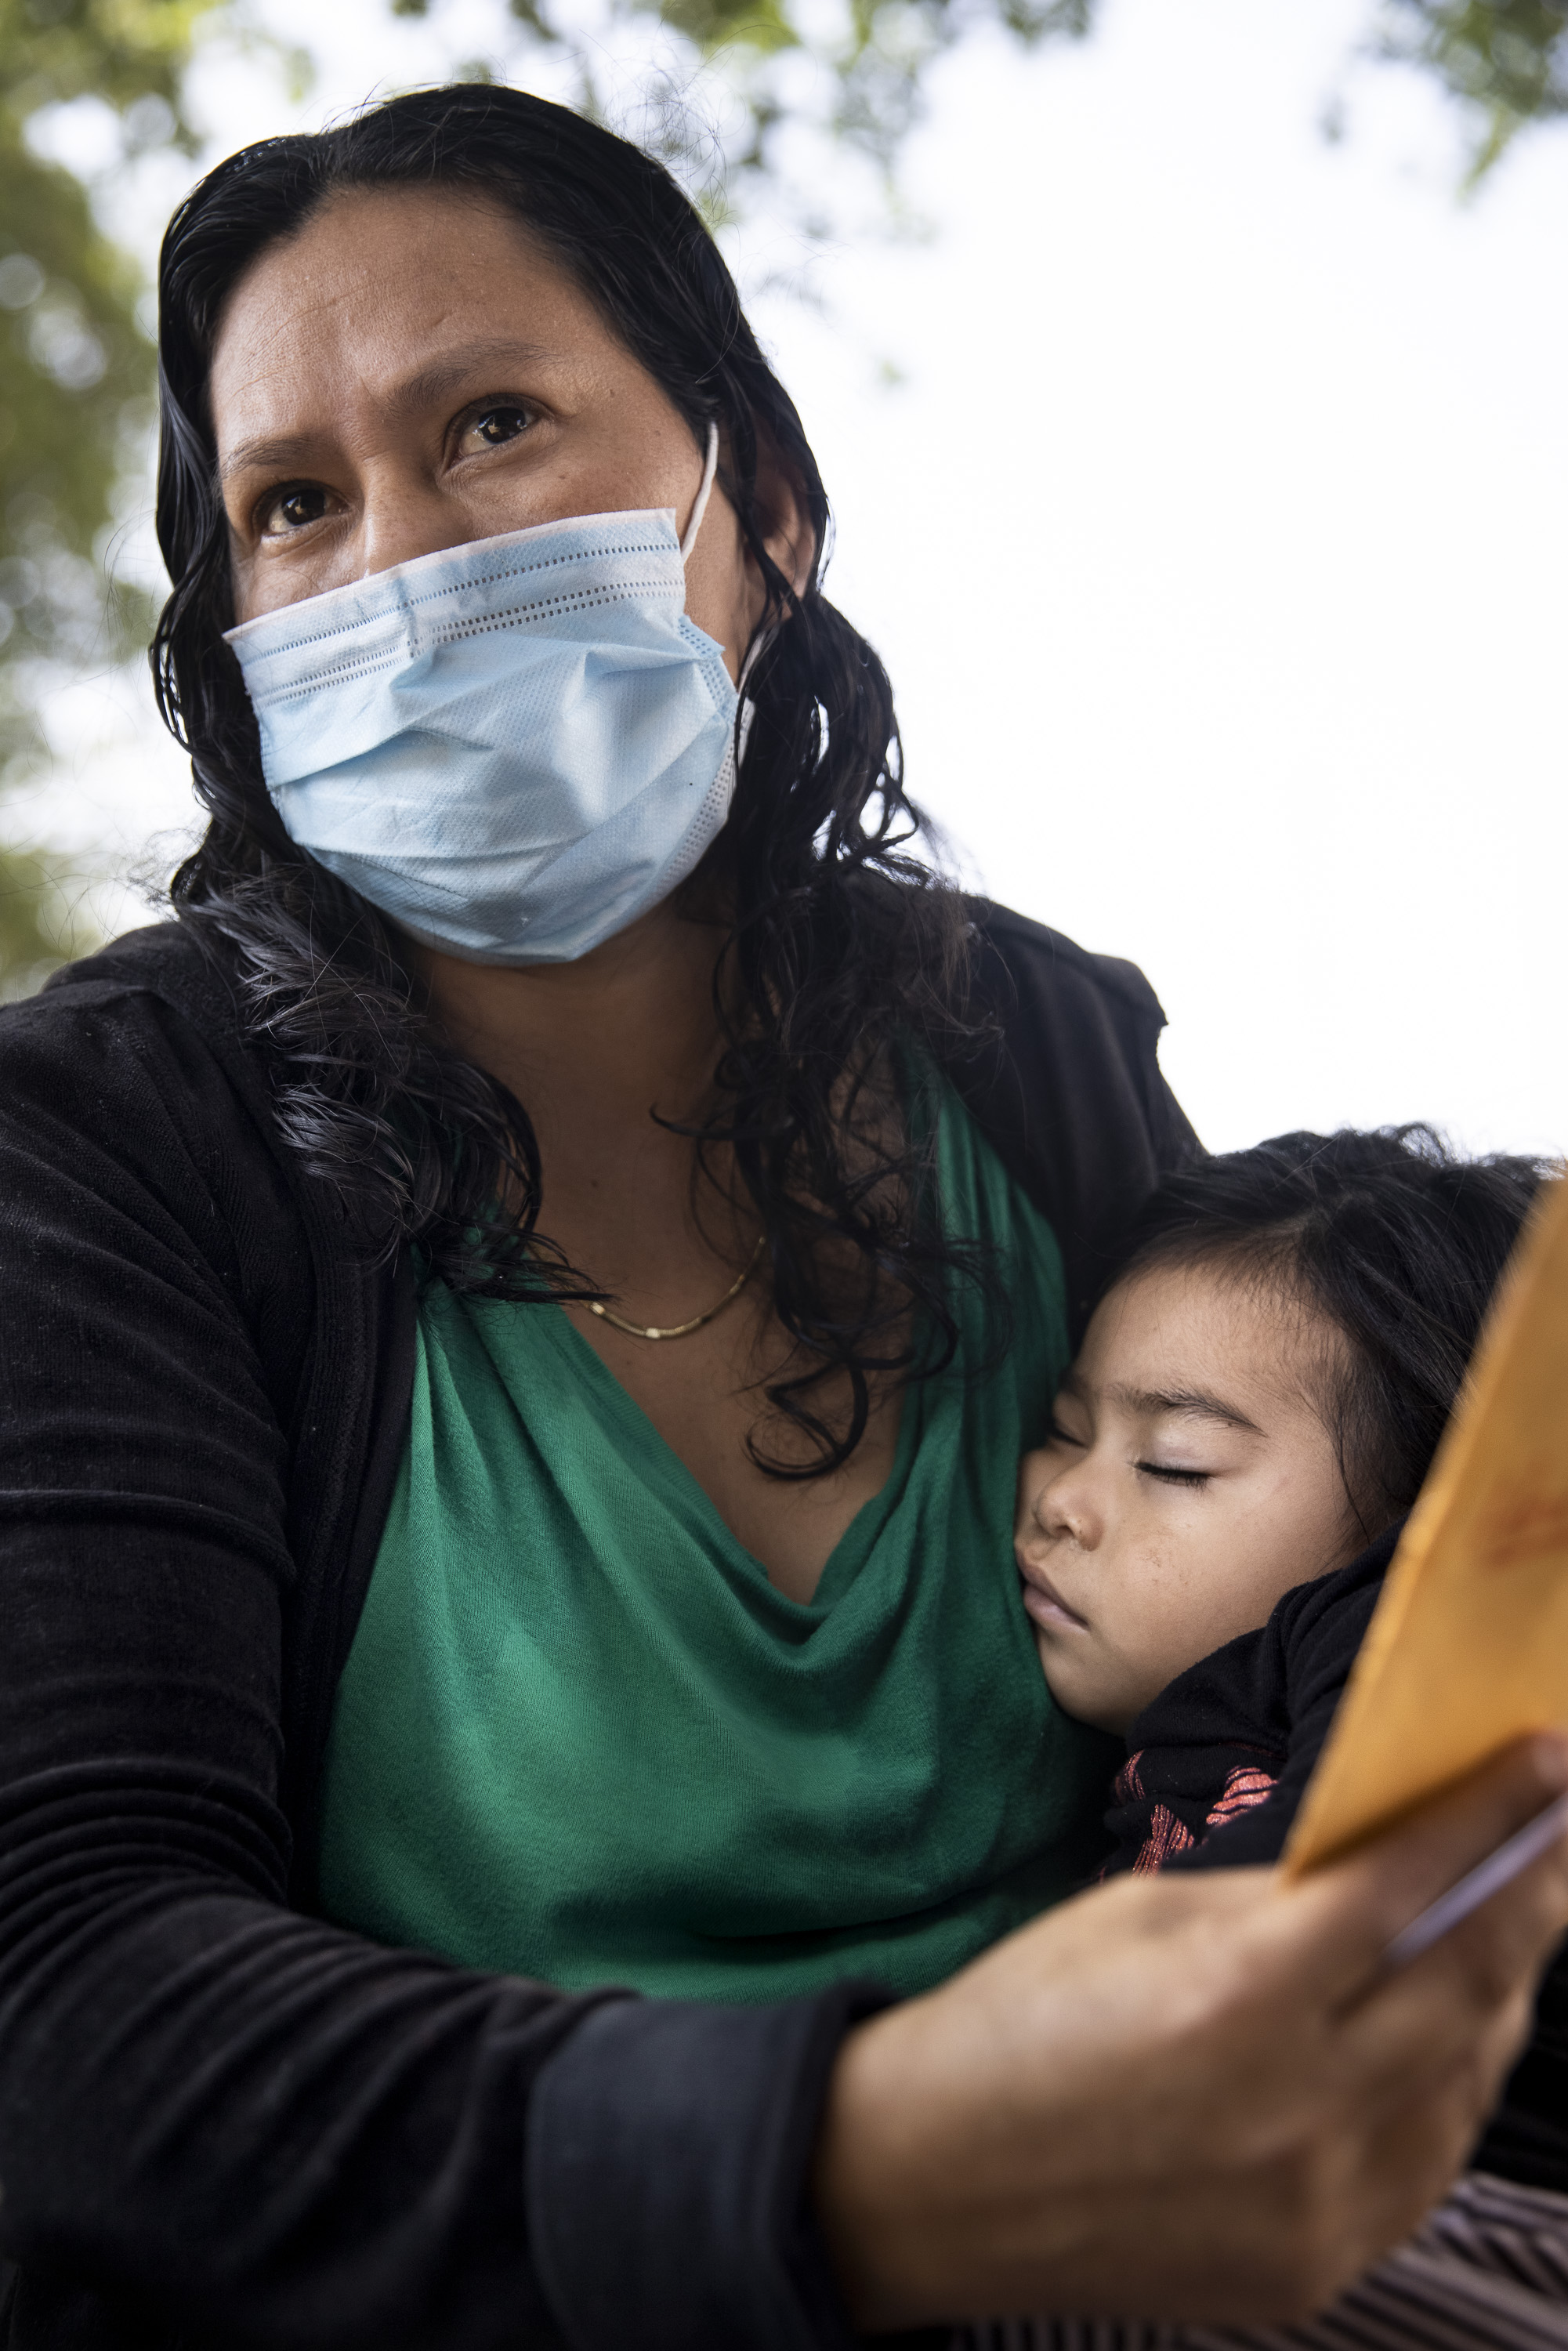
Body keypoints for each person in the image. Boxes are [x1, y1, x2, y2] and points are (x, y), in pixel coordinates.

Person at [0, 83, 1565, 2351]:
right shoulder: (100, 1154)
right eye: (295, 504)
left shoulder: (1025, 1047)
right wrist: (859, 2166)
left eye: (497, 425)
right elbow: (68, 1997)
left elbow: (1342, 1623)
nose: (408, 572)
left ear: (771, 514)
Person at [1005, 1127, 1568, 2346]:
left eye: (1175, 1462)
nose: (1061, 1498)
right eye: (1062, 1427)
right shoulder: (1170, 1718)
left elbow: (1312, 1899)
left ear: (1428, 1521)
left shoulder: (1385, 1636)